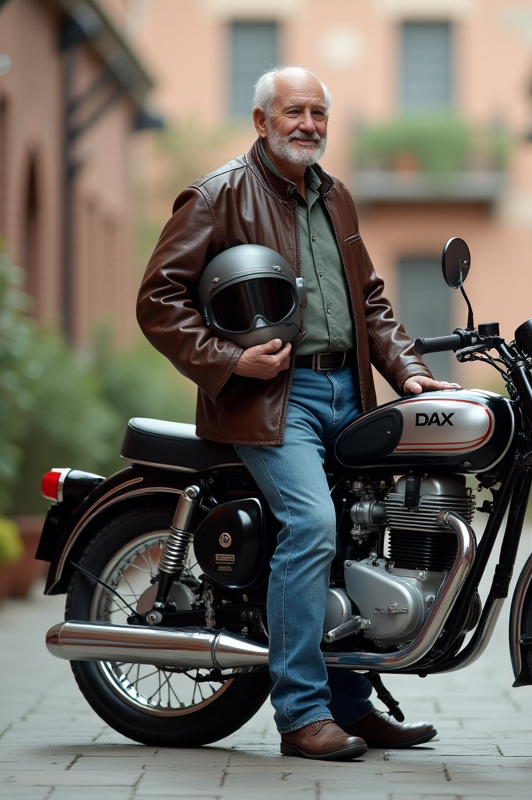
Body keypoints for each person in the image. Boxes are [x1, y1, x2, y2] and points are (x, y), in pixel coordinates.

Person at [136, 65, 458, 761]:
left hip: (350, 390)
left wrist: (408, 371)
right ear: (261, 121)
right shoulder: (217, 195)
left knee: (361, 536)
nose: (308, 124)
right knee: (312, 526)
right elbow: (159, 300)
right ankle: (302, 714)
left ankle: (351, 704)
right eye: (294, 112)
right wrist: (230, 361)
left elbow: (369, 300)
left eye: (318, 113)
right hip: (272, 400)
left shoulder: (335, 197)